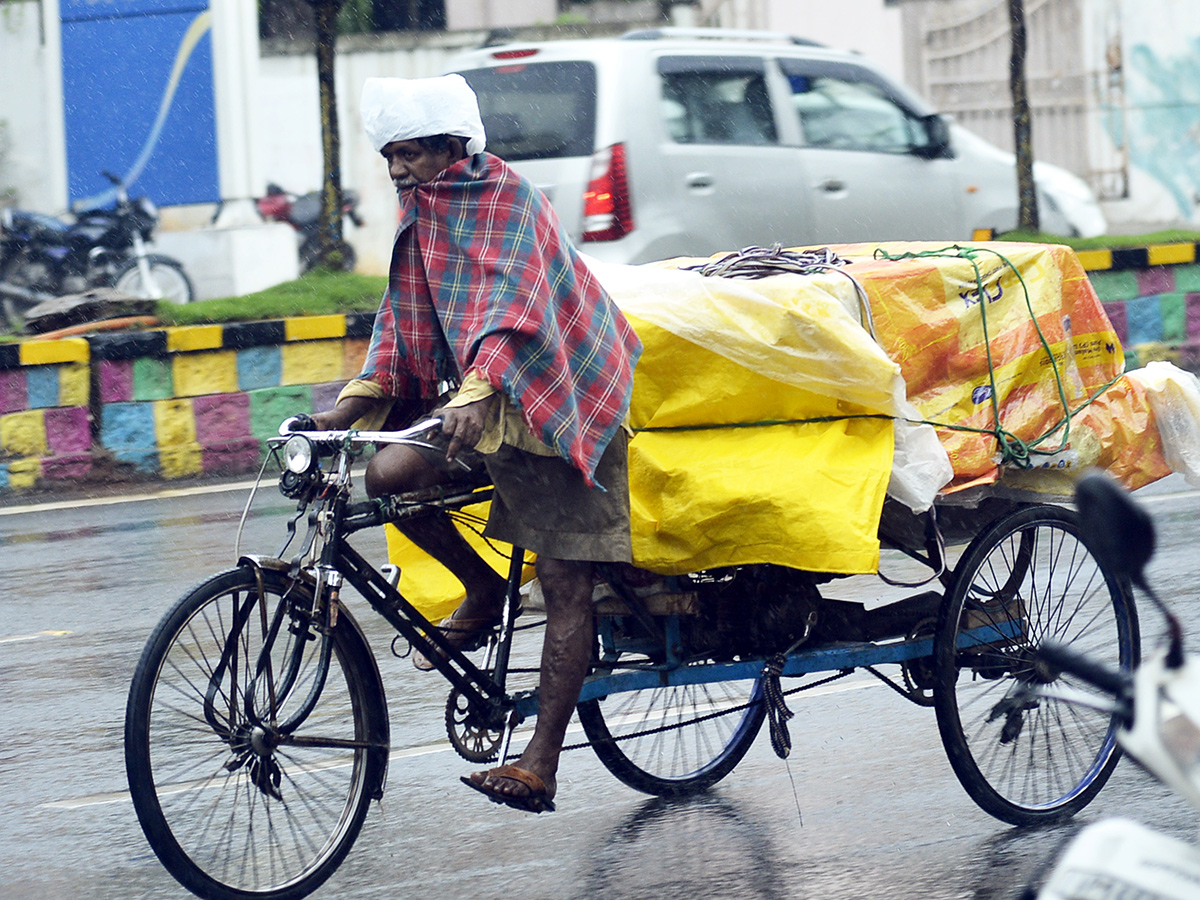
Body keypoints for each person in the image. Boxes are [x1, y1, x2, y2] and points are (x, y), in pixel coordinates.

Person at [311, 75, 641, 814]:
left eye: (407, 154)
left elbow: (514, 309)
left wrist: (479, 387)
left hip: (558, 399)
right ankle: (485, 587)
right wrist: (349, 405)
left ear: (451, 149)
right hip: (477, 399)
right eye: (389, 156)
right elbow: (401, 323)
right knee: (387, 477)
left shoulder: (508, 201)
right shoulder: (421, 212)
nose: (395, 170)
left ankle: (539, 765)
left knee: (564, 586)